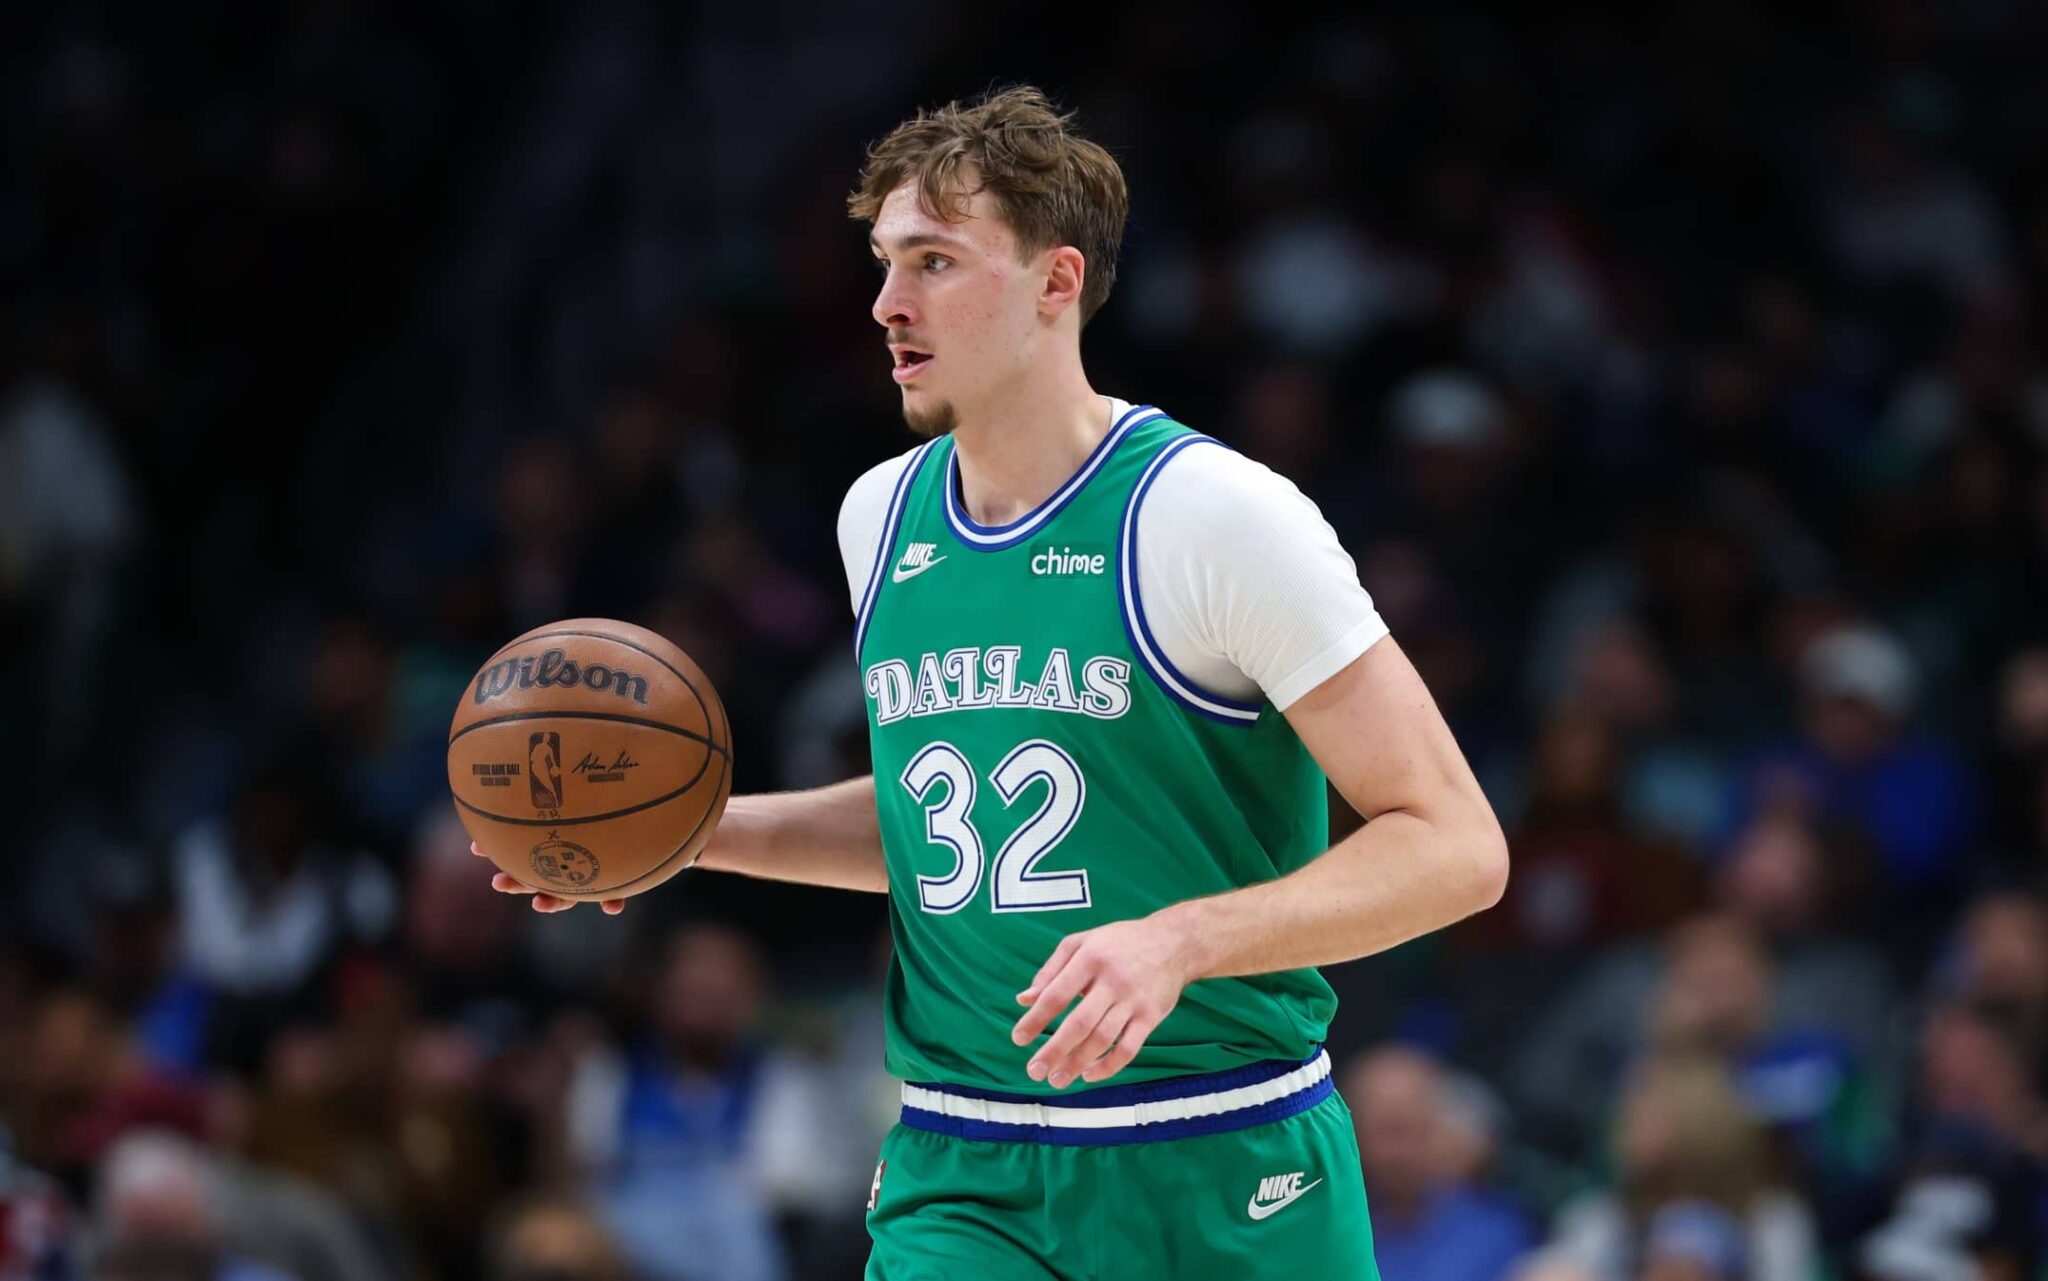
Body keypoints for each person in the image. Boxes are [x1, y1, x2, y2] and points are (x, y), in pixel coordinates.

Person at [475, 84, 1508, 1279]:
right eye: (881, 263)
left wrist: (1179, 941)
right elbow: (943, 819)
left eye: (932, 262)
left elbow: (1454, 846)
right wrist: (686, 831)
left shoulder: (1210, 515)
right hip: (963, 1165)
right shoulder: (882, 515)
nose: (886, 304)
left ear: (1055, 283)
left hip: (1224, 1157)